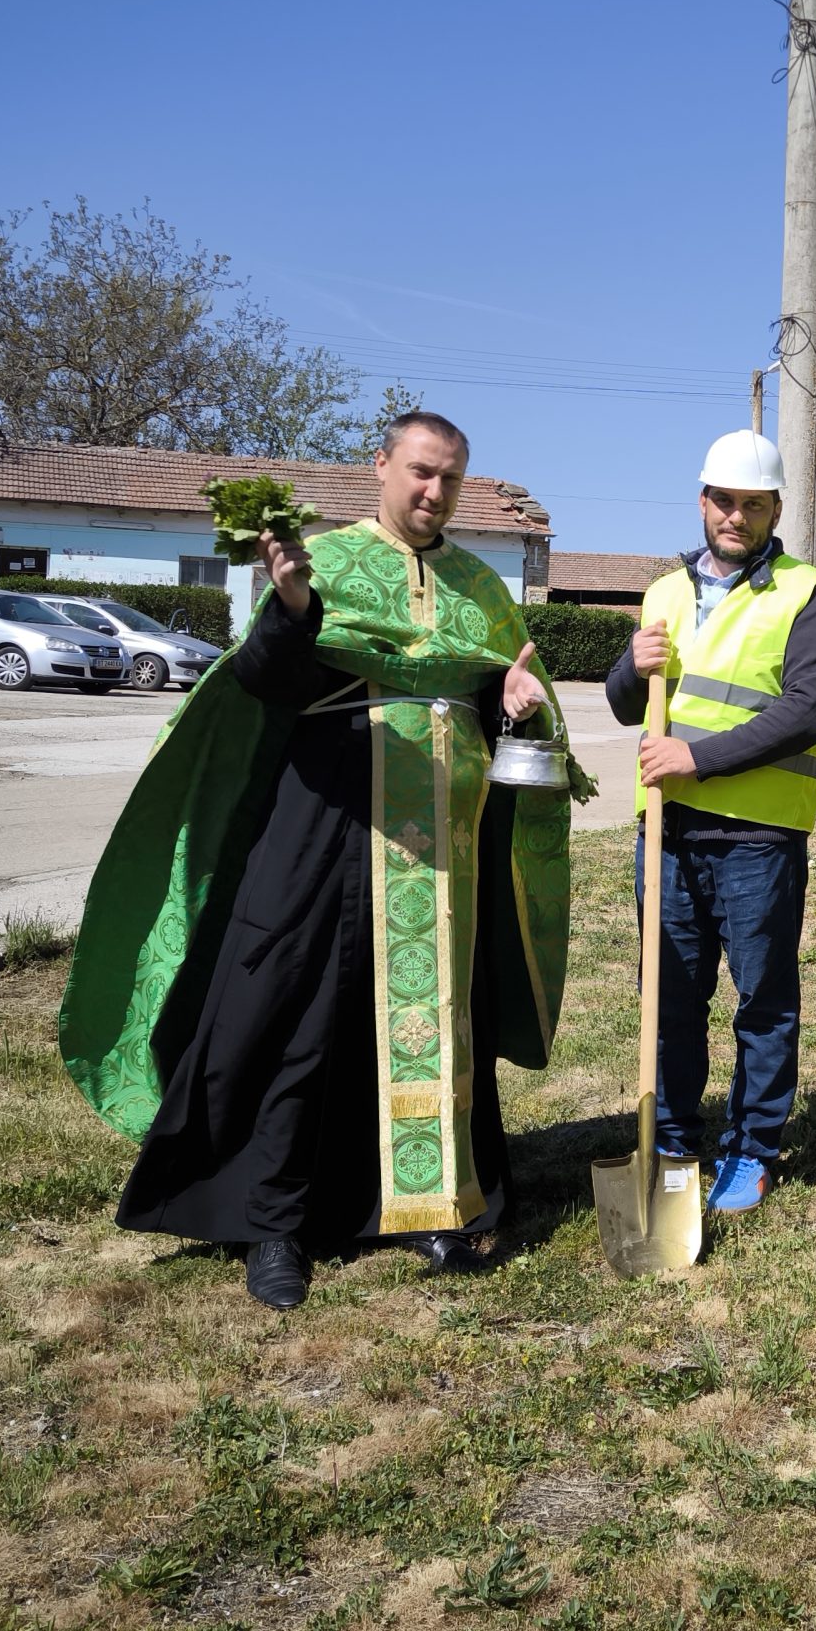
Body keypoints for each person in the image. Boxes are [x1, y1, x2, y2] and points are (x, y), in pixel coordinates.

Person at [59, 412, 573, 1311]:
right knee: (297, 1008)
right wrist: (293, 611)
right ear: (380, 466)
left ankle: (432, 1205)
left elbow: (499, 684)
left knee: (434, 1018)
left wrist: (515, 693)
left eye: (450, 478)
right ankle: (273, 1225)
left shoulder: (479, 583)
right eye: (419, 472)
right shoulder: (322, 562)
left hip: (444, 846)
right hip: (327, 822)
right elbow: (264, 679)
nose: (433, 492)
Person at [604, 431, 816, 1216]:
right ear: (702, 499)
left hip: (758, 837)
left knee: (762, 1002)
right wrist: (628, 667)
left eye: (753, 503)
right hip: (668, 834)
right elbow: (622, 705)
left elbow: (805, 714)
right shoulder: (663, 591)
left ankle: (751, 1149)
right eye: (723, 500)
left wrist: (697, 759)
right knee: (670, 997)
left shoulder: (811, 596)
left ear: (776, 508)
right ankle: (674, 1141)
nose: (735, 515)